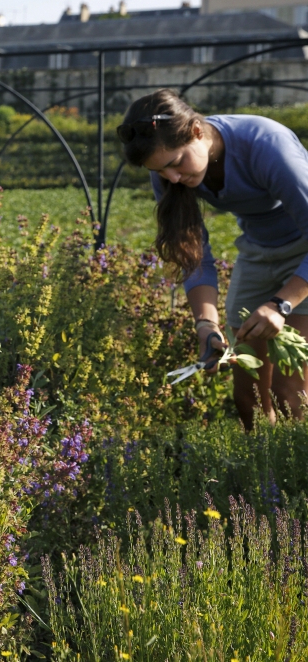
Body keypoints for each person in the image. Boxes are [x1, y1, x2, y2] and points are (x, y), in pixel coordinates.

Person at [118, 88, 308, 430]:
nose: (172, 178)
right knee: (248, 396)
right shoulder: (167, 167)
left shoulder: (267, 145)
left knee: (288, 392)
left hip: (304, 251)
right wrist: (205, 324)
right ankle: (262, 465)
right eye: (160, 172)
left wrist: (281, 304)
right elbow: (195, 255)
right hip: (258, 251)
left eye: (175, 164)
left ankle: (295, 465)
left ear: (196, 131)